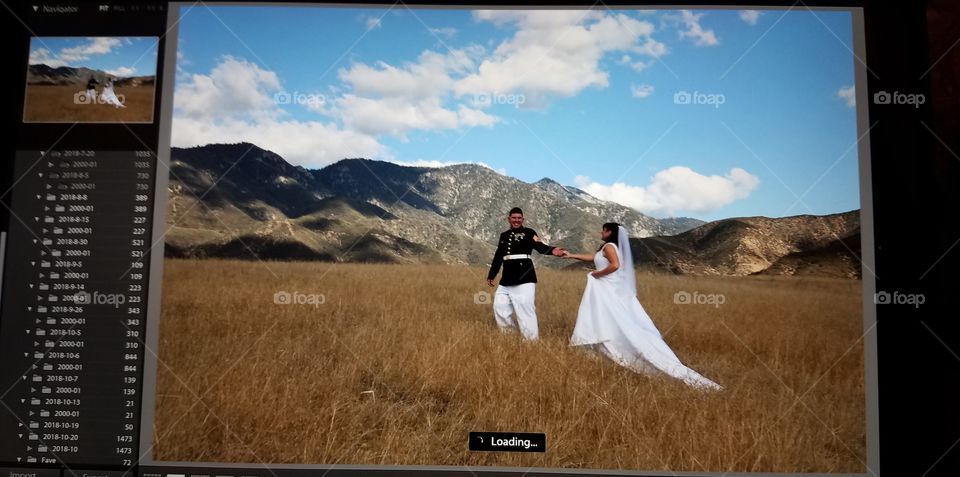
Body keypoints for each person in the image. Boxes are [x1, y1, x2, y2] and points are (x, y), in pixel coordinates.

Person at [562, 222, 722, 391]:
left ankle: (618, 346)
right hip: (607, 287)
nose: (601, 232)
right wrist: (571, 255)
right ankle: (608, 343)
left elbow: (615, 265)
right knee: (610, 317)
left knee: (609, 317)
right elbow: (593, 258)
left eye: (603, 229)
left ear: (609, 232)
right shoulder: (608, 247)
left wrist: (596, 274)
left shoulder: (609, 247)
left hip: (606, 287)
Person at [486, 207, 566, 341]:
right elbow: (499, 256)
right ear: (509, 219)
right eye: (514, 218)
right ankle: (509, 338)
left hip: (525, 277)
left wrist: (553, 251)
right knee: (499, 307)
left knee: (525, 310)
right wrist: (491, 275)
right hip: (506, 279)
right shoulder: (504, 235)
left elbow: (540, 247)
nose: (516, 220)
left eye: (519, 218)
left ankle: (531, 342)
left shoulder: (529, 233)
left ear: (522, 219)